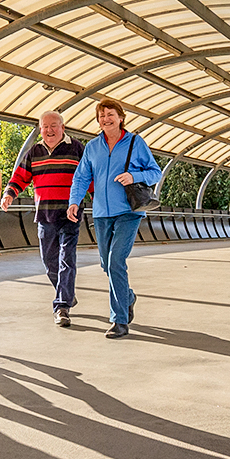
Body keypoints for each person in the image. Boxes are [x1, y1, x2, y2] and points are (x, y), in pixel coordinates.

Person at [66, 99, 162, 339]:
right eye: (101, 116)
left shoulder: (135, 143)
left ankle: (118, 320)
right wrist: (75, 201)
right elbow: (81, 177)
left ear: (121, 117)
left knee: (115, 261)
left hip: (128, 212)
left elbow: (155, 172)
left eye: (110, 114)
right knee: (105, 264)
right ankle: (127, 297)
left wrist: (134, 175)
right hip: (101, 213)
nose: (105, 119)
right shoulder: (93, 147)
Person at [0, 111, 85, 327]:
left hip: (70, 215)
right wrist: (9, 194)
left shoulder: (76, 148)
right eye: (45, 127)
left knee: (67, 259)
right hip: (45, 215)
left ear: (63, 128)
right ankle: (65, 292)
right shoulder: (34, 152)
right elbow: (20, 177)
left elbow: (88, 177)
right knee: (49, 263)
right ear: (40, 129)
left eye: (54, 126)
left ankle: (62, 306)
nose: (49, 130)